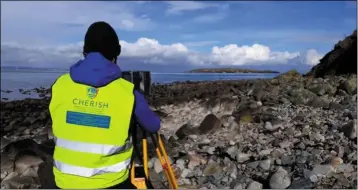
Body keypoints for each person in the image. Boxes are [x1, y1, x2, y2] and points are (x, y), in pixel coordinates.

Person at [49, 21, 161, 189]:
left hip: (65, 181)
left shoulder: (60, 85)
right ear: (115, 54)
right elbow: (153, 125)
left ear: (85, 51)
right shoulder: (127, 91)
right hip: (111, 183)